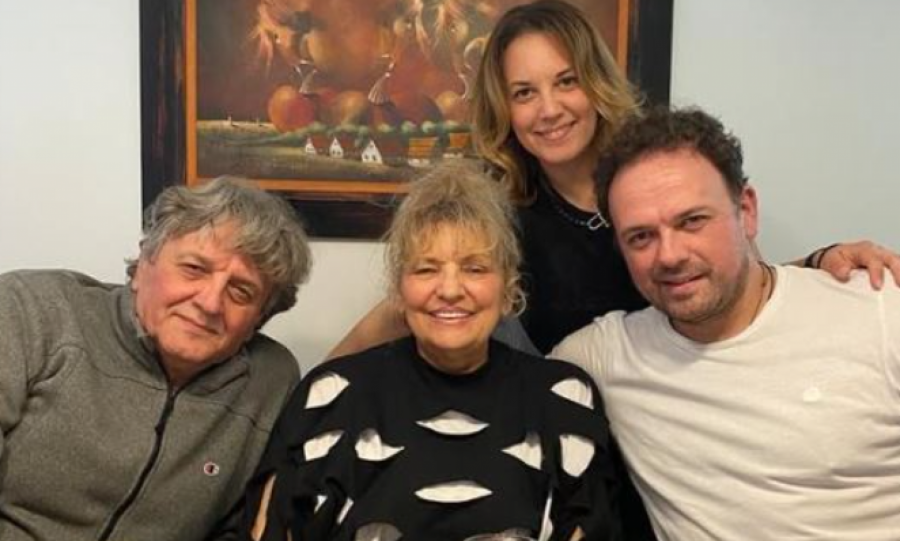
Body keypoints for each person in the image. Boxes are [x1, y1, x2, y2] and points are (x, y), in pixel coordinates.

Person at [328, 0, 900, 361]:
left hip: (679, 413)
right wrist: (314, 392)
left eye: (566, 82)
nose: (549, 109)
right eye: (524, 93)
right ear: (504, 107)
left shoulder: (655, 175)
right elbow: (414, 303)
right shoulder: (497, 203)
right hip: (564, 428)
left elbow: (729, 285)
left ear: (596, 82)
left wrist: (819, 263)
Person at [552, 106, 900, 540]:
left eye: (692, 221)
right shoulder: (607, 354)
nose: (669, 255)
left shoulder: (878, 311)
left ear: (746, 210)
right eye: (641, 237)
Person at [240, 161, 622, 541]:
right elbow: (270, 528)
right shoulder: (329, 397)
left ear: (508, 290)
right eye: (426, 269)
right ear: (399, 290)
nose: (450, 290)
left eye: (475, 268)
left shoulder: (564, 400)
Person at [0, 177, 312, 541]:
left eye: (241, 291)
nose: (210, 303)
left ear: (258, 320)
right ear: (143, 264)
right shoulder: (33, 309)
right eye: (194, 268)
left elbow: (238, 527)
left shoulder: (271, 382)